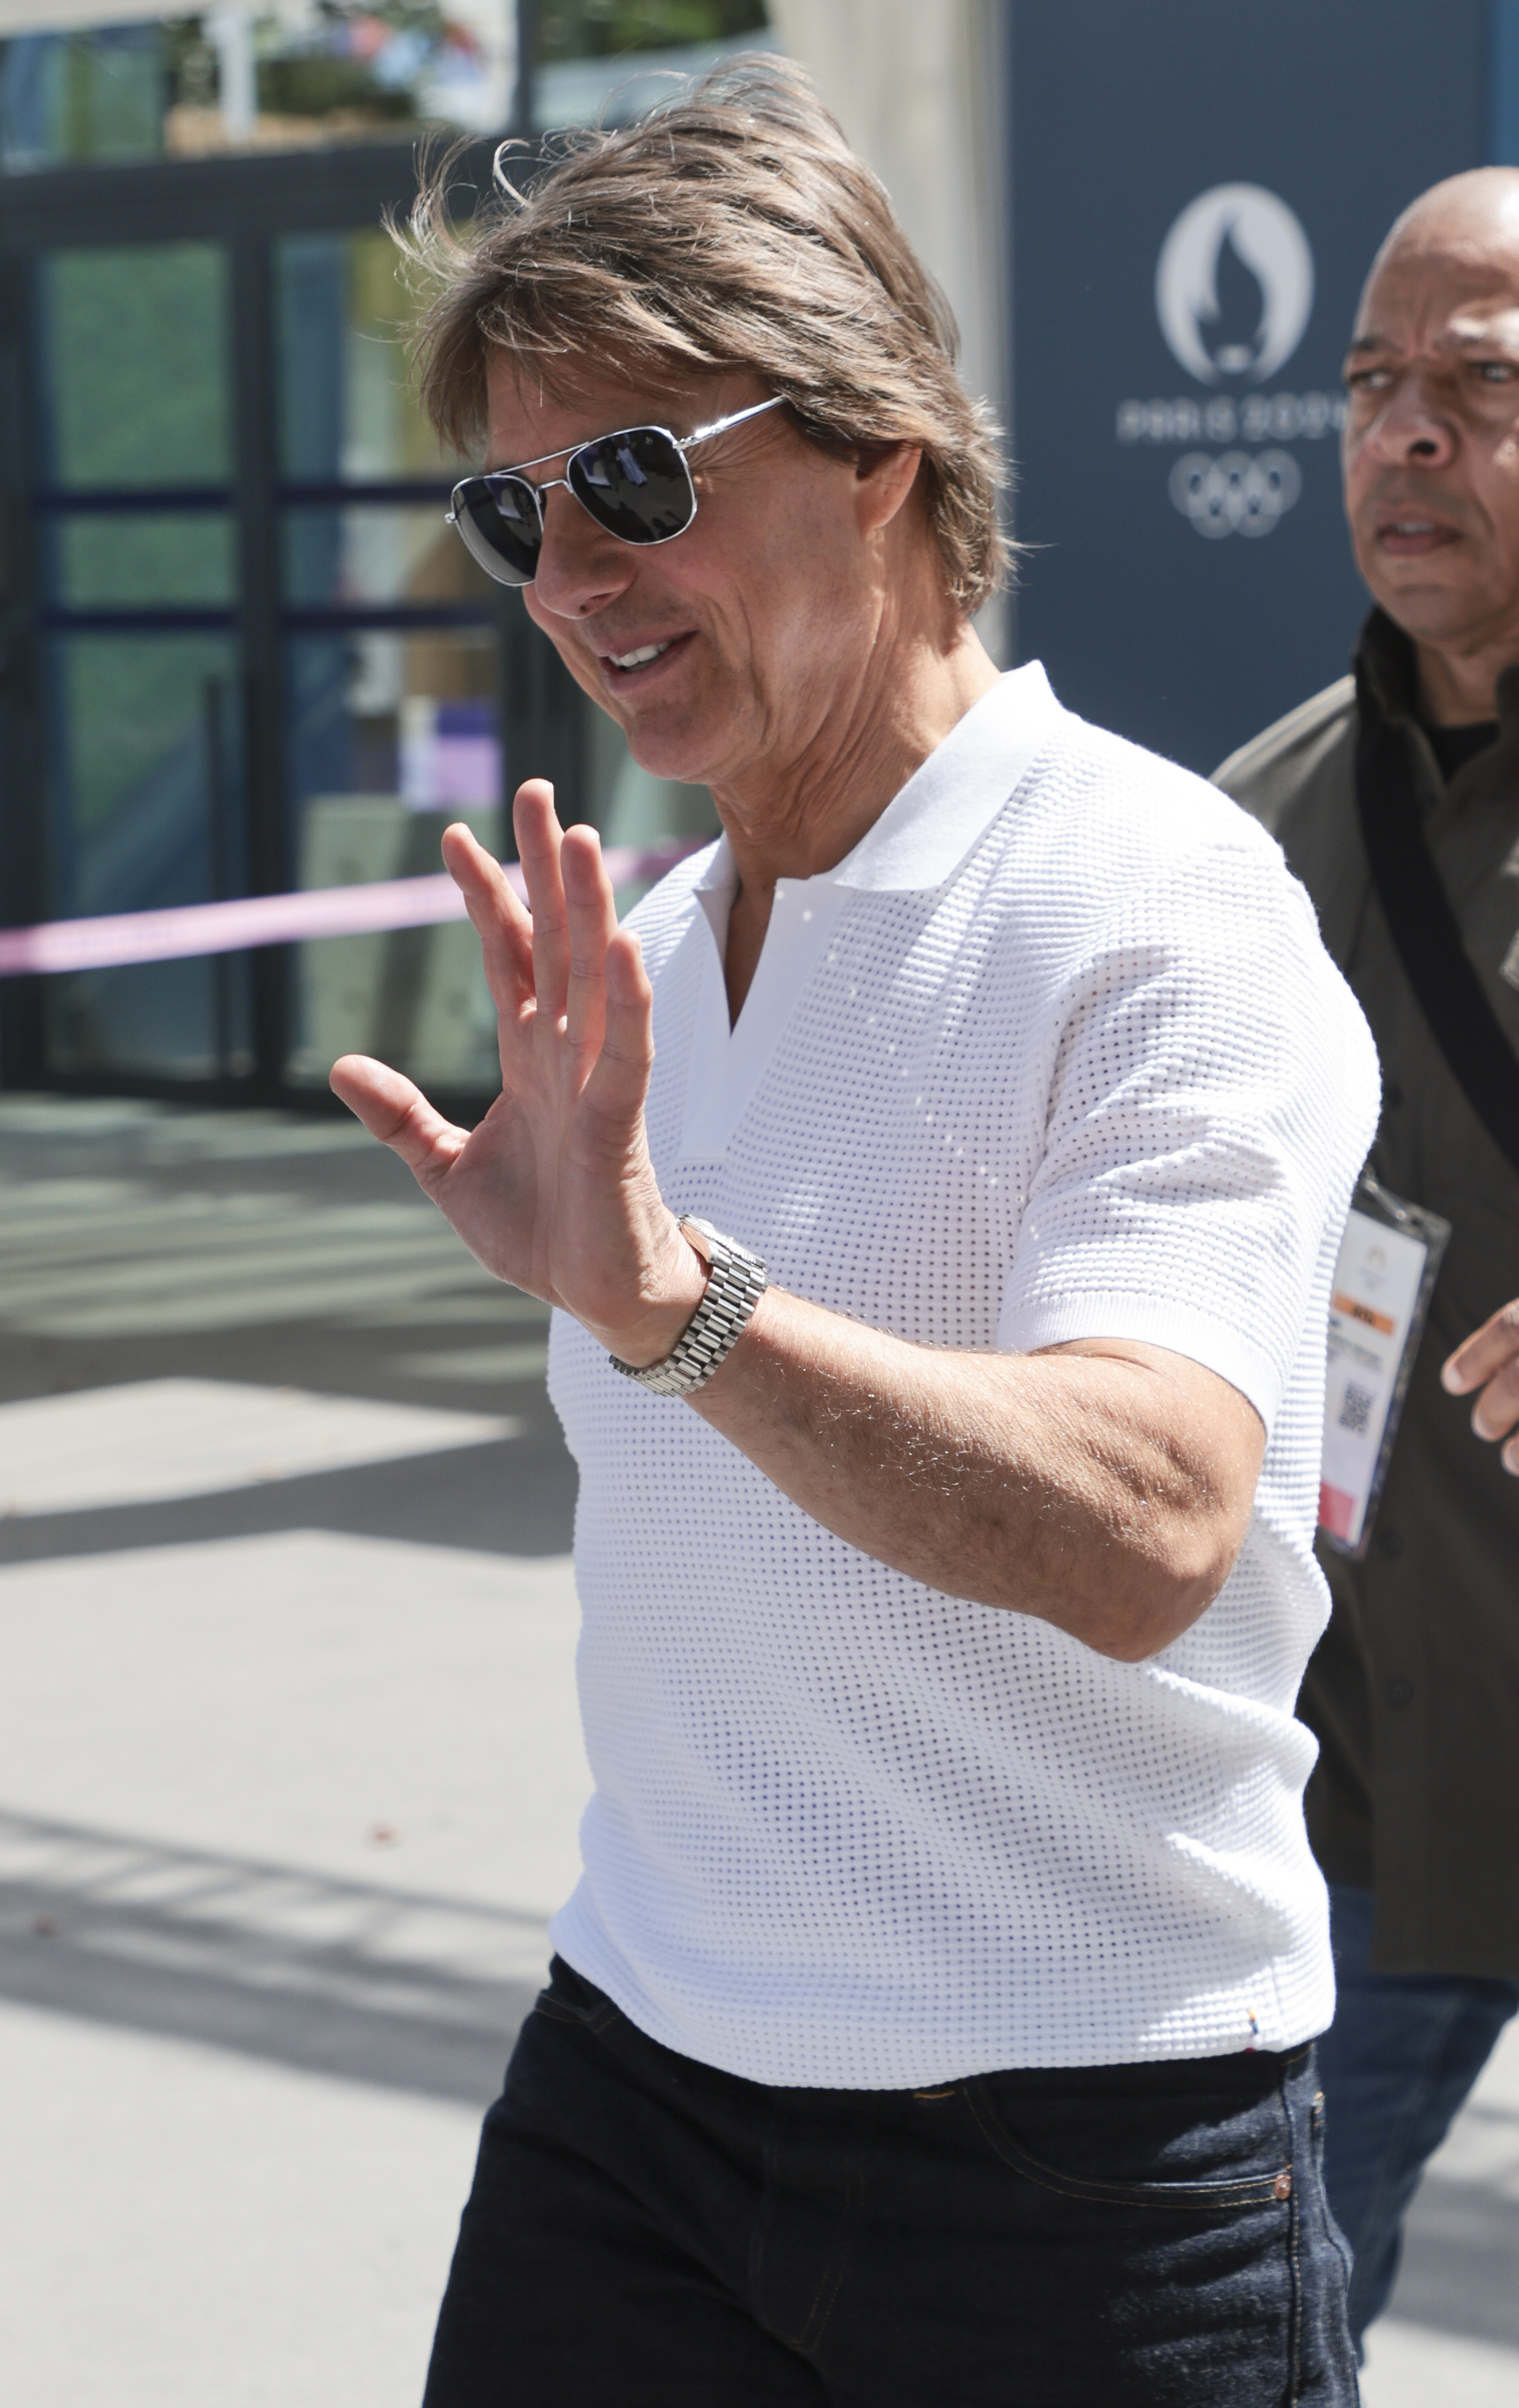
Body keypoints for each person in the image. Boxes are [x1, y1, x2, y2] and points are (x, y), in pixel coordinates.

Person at [334, 63, 1376, 2404]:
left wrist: (673, 1301)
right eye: (516, 509)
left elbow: (1149, 1525)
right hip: (639, 2082)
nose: (575, 575)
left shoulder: (1154, 906)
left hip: (1084, 2160)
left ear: (881, 440)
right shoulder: (659, 938)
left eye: (633, 480)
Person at [1216, 166, 1519, 2348]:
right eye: (1371, 387)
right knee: (1213, 2347)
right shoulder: (1247, 824)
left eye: (1481, 380)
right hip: (1347, 1800)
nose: (1402, 437)